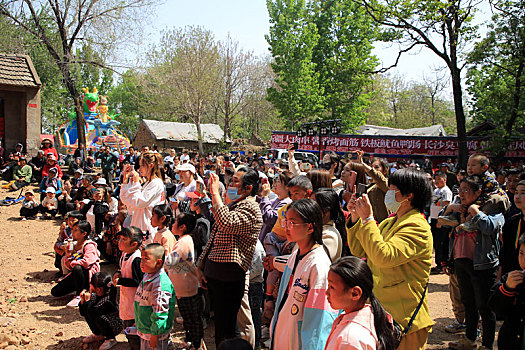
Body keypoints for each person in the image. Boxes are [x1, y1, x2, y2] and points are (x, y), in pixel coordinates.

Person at [346, 168, 434, 349]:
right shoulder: (390, 221)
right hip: (381, 311)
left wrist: (368, 219)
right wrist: (356, 218)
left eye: (393, 189)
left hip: (404, 318)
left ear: (408, 195)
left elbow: (383, 257)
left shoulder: (417, 226)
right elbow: (359, 250)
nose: (388, 194)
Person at [195, 168, 262, 347]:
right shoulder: (234, 205)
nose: (230, 185)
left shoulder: (251, 208)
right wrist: (200, 265)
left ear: (248, 188)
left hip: (230, 277)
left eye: (235, 182)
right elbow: (213, 239)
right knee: (221, 327)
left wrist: (215, 193)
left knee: (228, 329)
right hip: (215, 273)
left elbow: (226, 224)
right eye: (230, 181)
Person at [444, 176, 503, 350]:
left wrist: (476, 212)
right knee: (468, 303)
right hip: (461, 261)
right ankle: (469, 340)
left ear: (478, 192)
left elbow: (490, 227)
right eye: (460, 190)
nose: (461, 194)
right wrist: (450, 208)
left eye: (466, 190)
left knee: (485, 306)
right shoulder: (458, 208)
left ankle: (486, 344)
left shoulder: (491, 208)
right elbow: (441, 221)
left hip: (482, 264)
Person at [270, 199, 338, 349]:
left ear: (309, 228)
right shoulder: (295, 256)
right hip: (285, 336)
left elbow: (319, 321)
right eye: (285, 221)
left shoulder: (319, 265)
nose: (287, 227)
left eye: (292, 223)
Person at [325, 256, 397, 350]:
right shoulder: (370, 316)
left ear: (355, 293)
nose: (327, 292)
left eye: (332, 287)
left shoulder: (350, 340)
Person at [165, 213, 203, 350]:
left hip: (186, 288)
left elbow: (169, 262)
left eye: (175, 222)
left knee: (192, 319)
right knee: (190, 319)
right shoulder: (184, 240)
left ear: (182, 227)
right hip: (184, 287)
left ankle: (196, 345)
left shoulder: (183, 242)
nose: (172, 225)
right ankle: (192, 341)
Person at [134, 243, 176, 350]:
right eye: (141, 258)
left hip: (154, 334)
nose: (141, 263)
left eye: (146, 259)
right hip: (146, 329)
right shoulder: (148, 275)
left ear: (158, 263)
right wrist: (138, 321)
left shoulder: (160, 285)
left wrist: (155, 334)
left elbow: (160, 312)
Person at [120, 152, 165, 247]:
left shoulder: (156, 183)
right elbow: (126, 201)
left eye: (142, 166)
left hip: (147, 227)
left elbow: (139, 202)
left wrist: (136, 183)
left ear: (151, 166)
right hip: (137, 225)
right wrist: (125, 182)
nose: (139, 169)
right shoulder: (146, 184)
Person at [51, 220, 100, 308]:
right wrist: (68, 255)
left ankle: (80, 294)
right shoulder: (74, 245)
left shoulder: (89, 246)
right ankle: (78, 287)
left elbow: (86, 263)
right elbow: (68, 265)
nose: (72, 232)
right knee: (55, 292)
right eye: (72, 230)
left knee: (78, 268)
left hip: (88, 275)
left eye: (75, 230)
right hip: (76, 274)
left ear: (84, 234)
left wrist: (73, 262)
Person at [488, 234, 525, 349]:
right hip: (512, 340)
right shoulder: (512, 278)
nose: (523, 260)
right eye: (521, 253)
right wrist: (507, 288)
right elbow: (496, 309)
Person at [112, 227, 143, 350]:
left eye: (124, 239)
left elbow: (138, 281)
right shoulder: (125, 254)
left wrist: (121, 281)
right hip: (127, 300)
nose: (120, 241)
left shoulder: (137, 259)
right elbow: (123, 268)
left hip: (135, 303)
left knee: (134, 332)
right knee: (128, 329)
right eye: (120, 238)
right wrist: (118, 273)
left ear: (134, 244)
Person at [79, 271, 123, 350]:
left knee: (97, 316)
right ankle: (98, 334)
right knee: (88, 311)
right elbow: (83, 313)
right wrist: (83, 301)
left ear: (98, 289)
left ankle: (110, 338)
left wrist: (88, 302)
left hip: (114, 325)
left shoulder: (108, 300)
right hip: (103, 322)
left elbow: (94, 313)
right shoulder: (95, 296)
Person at [257, 171, 292, 242]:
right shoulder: (275, 200)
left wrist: (265, 196)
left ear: (287, 187)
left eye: (278, 181)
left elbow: (270, 219)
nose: (275, 184)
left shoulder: (287, 203)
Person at [500, 180, 525, 276]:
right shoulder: (513, 221)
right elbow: (505, 251)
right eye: (516, 193)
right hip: (511, 274)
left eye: (523, 193)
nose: (517, 197)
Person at [311, 188, 344, 261]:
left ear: (326, 211)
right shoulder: (318, 228)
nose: (308, 207)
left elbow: (314, 262)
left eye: (313, 205)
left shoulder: (329, 236)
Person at [429, 171, 453, 274]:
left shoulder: (446, 191)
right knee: (436, 243)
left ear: (445, 180)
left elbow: (446, 205)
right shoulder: (436, 190)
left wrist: (441, 219)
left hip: (441, 220)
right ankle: (438, 263)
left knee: (441, 243)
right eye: (436, 179)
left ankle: (442, 264)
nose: (437, 181)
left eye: (439, 179)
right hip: (434, 219)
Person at [53, 211, 83, 275]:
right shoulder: (65, 231)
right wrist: (62, 246)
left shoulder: (83, 230)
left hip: (79, 252)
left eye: (73, 220)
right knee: (59, 251)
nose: (70, 222)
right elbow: (58, 242)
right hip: (67, 251)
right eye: (69, 220)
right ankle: (62, 271)